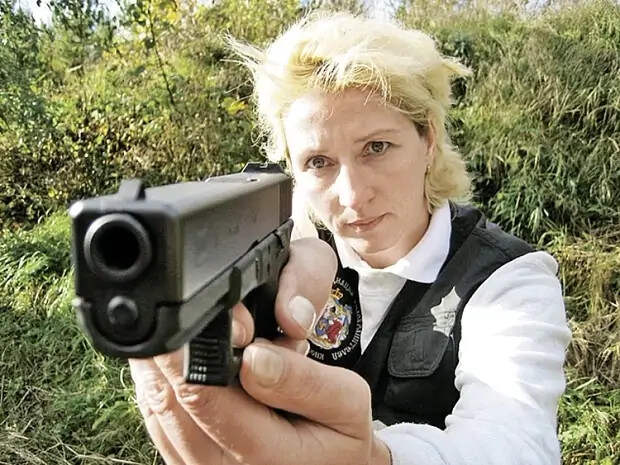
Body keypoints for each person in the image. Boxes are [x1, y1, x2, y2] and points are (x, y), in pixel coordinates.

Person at [128, 12, 571, 465]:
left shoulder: (508, 279)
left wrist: (377, 459)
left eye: (376, 148)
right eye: (318, 162)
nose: (353, 196)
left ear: (428, 140)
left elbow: (516, 446)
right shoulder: (289, 245)